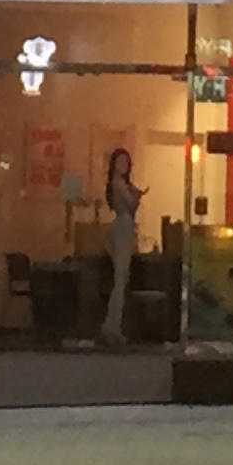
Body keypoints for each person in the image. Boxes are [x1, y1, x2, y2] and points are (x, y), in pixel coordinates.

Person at [98, 147, 144, 343]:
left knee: (121, 278)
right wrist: (136, 195)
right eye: (120, 162)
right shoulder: (118, 184)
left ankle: (112, 324)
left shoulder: (120, 184)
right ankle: (112, 326)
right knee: (120, 278)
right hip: (124, 225)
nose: (123, 165)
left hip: (123, 225)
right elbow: (131, 204)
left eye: (126, 162)